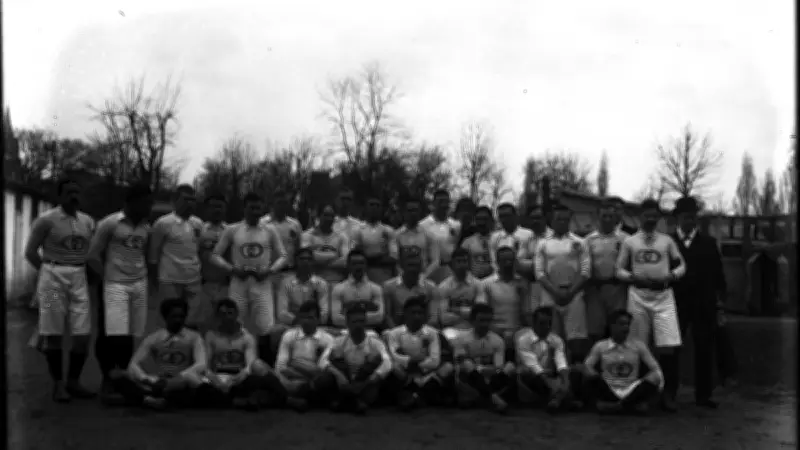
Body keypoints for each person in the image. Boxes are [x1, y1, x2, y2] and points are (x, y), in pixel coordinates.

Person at [24, 178, 96, 402]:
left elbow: (89, 250)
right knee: (53, 333)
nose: (74, 196)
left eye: (77, 192)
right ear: (60, 196)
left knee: (82, 335)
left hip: (79, 275)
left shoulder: (87, 221)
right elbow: (30, 252)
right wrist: (47, 273)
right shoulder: (46, 220)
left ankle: (74, 381)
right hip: (53, 275)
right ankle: (58, 385)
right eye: (69, 192)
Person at [615, 198, 685, 412]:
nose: (651, 219)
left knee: (668, 347)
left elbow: (681, 265)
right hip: (638, 296)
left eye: (655, 215)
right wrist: (633, 277)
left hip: (663, 297)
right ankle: (640, 395)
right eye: (647, 215)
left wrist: (671, 276)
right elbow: (619, 270)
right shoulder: (630, 242)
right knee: (639, 346)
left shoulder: (667, 241)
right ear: (640, 217)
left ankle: (668, 394)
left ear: (659, 217)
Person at [87, 183, 153, 403]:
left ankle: (123, 377)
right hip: (114, 284)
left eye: (150, 203)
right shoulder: (110, 223)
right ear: (132, 202)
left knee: (129, 334)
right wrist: (106, 278)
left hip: (138, 285)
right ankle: (107, 377)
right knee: (110, 334)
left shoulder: (146, 228)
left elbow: (144, 255)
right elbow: (93, 255)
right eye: (145, 203)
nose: (149, 208)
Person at [210, 192, 288, 356]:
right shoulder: (232, 230)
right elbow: (215, 255)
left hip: (262, 283)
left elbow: (284, 256)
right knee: (235, 321)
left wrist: (270, 270)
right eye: (252, 208)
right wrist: (232, 269)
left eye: (258, 208)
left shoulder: (270, 230)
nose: (255, 212)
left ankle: (264, 361)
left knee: (265, 325)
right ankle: (235, 359)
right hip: (239, 283)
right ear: (244, 209)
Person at [671, 196, 727, 409]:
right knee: (672, 348)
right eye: (685, 217)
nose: (689, 221)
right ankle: (669, 393)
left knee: (704, 348)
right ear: (677, 218)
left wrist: (720, 301)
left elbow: (718, 274)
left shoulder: (708, 243)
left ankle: (703, 395)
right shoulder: (668, 243)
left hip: (703, 303)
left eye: (693, 217)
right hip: (675, 303)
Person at [113, 298, 207, 410]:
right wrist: (145, 378)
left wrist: (180, 377)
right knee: (118, 377)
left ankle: (147, 400)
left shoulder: (194, 337)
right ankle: (149, 400)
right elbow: (133, 364)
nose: (178, 320)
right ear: (165, 317)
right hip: (159, 381)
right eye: (174, 316)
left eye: (181, 316)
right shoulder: (154, 338)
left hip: (181, 381)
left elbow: (201, 364)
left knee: (194, 387)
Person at [204, 299, 288, 410]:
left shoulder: (247, 337)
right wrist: (217, 382)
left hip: (240, 378)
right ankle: (245, 401)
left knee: (257, 371)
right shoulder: (211, 336)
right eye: (223, 314)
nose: (227, 317)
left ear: (236, 314)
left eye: (230, 313)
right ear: (218, 316)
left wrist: (234, 380)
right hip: (217, 377)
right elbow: (206, 366)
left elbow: (249, 366)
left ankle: (281, 397)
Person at [535, 204, 591, 364]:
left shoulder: (580, 242)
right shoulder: (543, 243)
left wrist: (571, 292)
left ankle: (576, 370)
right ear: (552, 220)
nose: (562, 222)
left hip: (574, 294)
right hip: (550, 294)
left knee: (576, 338)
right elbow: (539, 273)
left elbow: (586, 271)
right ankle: (553, 370)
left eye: (566, 219)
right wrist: (555, 292)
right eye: (559, 219)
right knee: (551, 337)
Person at [583, 309, 663, 414]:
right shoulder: (600, 346)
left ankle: (617, 406)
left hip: (631, 389)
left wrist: (659, 388)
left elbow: (655, 369)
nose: (626, 328)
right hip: (609, 388)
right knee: (588, 373)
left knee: (655, 376)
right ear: (612, 326)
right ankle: (630, 407)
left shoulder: (638, 345)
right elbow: (587, 366)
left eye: (627, 324)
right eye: (621, 324)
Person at [148, 184, 205, 330]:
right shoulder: (163, 223)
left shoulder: (198, 223)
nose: (190, 203)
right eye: (186, 199)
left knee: (192, 320)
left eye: (193, 200)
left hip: (193, 278)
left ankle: (189, 343)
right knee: (170, 320)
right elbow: (153, 255)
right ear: (176, 200)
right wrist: (154, 280)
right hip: (170, 279)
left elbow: (199, 251)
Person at [319, 303, 393, 414]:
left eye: (361, 321)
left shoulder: (376, 343)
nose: (358, 325)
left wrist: (371, 379)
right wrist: (338, 375)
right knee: (327, 373)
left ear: (366, 322)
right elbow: (322, 361)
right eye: (355, 322)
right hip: (344, 382)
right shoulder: (338, 341)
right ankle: (354, 402)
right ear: (347, 323)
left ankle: (347, 402)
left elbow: (388, 363)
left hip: (365, 383)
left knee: (378, 365)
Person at [384, 295, 448, 410]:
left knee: (447, 368)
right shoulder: (394, 333)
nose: (417, 316)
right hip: (405, 375)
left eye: (420, 313)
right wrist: (414, 360)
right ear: (405, 314)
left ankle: (415, 396)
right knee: (392, 367)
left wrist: (415, 364)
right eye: (413, 313)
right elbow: (395, 356)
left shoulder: (432, 333)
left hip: (426, 375)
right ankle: (419, 396)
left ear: (424, 315)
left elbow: (435, 361)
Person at [449, 303, 514, 413]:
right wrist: (480, 370)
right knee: (467, 364)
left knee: (510, 367)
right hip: (469, 381)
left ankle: (484, 398)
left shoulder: (498, 340)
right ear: (472, 320)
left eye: (488, 320)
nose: (485, 324)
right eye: (481, 320)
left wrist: (482, 369)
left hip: (491, 379)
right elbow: (460, 364)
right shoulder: (461, 339)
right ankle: (493, 398)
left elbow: (498, 367)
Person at [516, 306, 582, 413]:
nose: (546, 327)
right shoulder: (523, 340)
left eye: (549, 323)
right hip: (534, 375)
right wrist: (551, 384)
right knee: (528, 374)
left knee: (575, 372)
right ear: (534, 323)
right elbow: (533, 366)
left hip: (552, 374)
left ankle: (556, 400)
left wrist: (565, 382)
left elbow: (561, 363)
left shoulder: (556, 339)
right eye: (542, 323)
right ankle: (562, 399)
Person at [275, 301, 337, 411]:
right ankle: (294, 398)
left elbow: (321, 370)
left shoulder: (328, 339)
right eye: (303, 318)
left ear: (318, 320)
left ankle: (287, 398)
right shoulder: (289, 335)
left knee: (325, 380)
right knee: (265, 372)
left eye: (310, 318)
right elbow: (281, 367)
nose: (306, 321)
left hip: (313, 384)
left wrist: (295, 364)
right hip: (290, 380)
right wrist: (305, 376)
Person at [584, 199, 630, 343]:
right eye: (604, 216)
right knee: (595, 331)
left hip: (618, 290)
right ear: (598, 217)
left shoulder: (625, 239)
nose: (607, 219)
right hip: (596, 290)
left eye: (611, 216)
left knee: (617, 329)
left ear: (616, 218)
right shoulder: (589, 240)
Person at [270, 247, 330, 356]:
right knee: (275, 332)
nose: (305, 262)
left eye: (308, 259)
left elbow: (324, 315)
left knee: (332, 333)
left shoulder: (321, 284)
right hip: (292, 324)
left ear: (313, 262)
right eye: (302, 259)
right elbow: (282, 314)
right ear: (295, 262)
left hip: (315, 325)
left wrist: (309, 321)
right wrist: (302, 320)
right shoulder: (285, 283)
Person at [482, 246, 530, 361]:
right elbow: (483, 314)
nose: (508, 264)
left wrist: (522, 294)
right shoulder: (486, 283)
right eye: (504, 261)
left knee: (529, 338)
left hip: (517, 330)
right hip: (494, 329)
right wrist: (496, 330)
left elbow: (526, 314)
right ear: (497, 262)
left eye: (511, 260)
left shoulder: (522, 283)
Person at [261, 190, 304, 309]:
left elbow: (299, 250)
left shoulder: (295, 225)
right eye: (279, 202)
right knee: (269, 308)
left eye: (285, 203)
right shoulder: (262, 223)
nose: (282, 206)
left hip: (289, 273)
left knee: (288, 308)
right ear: (272, 204)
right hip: (269, 273)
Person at [330, 250, 385, 332]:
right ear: (348, 265)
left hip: (370, 332)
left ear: (366, 265)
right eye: (354, 263)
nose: (358, 266)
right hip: (345, 332)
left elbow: (379, 317)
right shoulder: (338, 289)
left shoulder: (376, 288)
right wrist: (365, 317)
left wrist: (350, 318)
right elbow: (336, 319)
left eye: (361, 263)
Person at [437, 248, 486, 339]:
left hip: (474, 329)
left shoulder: (478, 284)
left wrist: (454, 310)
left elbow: (479, 314)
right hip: (452, 329)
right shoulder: (443, 286)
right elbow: (444, 318)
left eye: (464, 261)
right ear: (452, 264)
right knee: (448, 337)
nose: (462, 265)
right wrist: (468, 314)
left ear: (469, 264)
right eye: (458, 261)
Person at [382, 252, 439, 330]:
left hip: (424, 330)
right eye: (410, 265)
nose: (413, 269)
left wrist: (422, 333)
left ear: (421, 267)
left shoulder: (430, 287)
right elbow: (387, 316)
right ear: (402, 266)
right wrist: (397, 333)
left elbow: (433, 317)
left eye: (416, 265)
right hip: (396, 329)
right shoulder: (389, 286)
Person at [390, 196, 440, 280]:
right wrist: (404, 277)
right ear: (404, 212)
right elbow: (395, 261)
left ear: (420, 212)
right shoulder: (396, 236)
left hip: (424, 278)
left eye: (415, 210)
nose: (413, 213)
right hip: (403, 279)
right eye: (409, 210)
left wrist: (423, 277)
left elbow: (435, 261)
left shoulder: (429, 235)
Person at [301, 203, 350, 287]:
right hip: (313, 283)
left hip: (336, 282)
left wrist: (320, 261)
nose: (329, 218)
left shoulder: (342, 237)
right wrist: (334, 255)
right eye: (326, 215)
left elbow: (346, 261)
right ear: (319, 216)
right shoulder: (307, 235)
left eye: (332, 216)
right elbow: (306, 259)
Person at [517, 204, 554, 312]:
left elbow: (550, 264)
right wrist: (537, 263)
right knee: (533, 313)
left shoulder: (553, 237)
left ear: (545, 218)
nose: (535, 221)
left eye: (538, 218)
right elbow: (518, 262)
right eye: (532, 218)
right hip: (532, 284)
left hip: (550, 285)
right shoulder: (527, 239)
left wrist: (531, 263)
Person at [198, 193, 229, 323]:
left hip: (225, 285)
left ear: (225, 209)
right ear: (206, 209)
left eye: (220, 206)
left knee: (224, 321)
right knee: (204, 321)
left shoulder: (231, 231)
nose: (217, 210)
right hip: (204, 285)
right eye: (213, 206)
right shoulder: (199, 230)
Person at [352, 195, 396, 285]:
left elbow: (394, 258)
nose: (374, 208)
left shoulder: (388, 230)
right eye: (371, 205)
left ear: (381, 209)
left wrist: (367, 257)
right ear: (366, 208)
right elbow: (354, 256)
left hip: (384, 275)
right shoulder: (357, 230)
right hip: (364, 277)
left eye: (377, 205)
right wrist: (379, 256)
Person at [420, 189, 461, 284]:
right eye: (440, 202)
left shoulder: (456, 225)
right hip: (429, 268)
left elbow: (456, 246)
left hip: (449, 268)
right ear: (433, 204)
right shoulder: (423, 225)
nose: (444, 205)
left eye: (446, 202)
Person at [490, 203, 533, 274]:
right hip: (501, 276)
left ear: (515, 216)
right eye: (501, 216)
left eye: (507, 215)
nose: (504, 219)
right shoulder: (494, 237)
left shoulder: (528, 234)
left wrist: (516, 264)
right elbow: (493, 262)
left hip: (523, 275)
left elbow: (534, 261)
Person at [460, 206, 496, 279]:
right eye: (478, 219)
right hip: (475, 281)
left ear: (491, 220)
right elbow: (462, 265)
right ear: (475, 221)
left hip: (497, 281)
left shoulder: (499, 239)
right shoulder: (467, 242)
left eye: (485, 219)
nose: (481, 222)